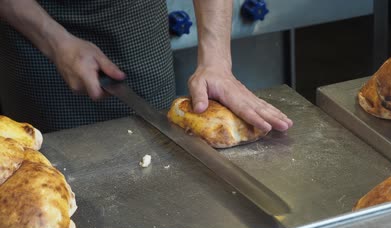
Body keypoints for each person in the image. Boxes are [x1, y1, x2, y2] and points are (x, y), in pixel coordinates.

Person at [0, 0, 293, 133]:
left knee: (159, 141)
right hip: (34, 29)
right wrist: (55, 42)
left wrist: (216, 63)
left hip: (135, 22)